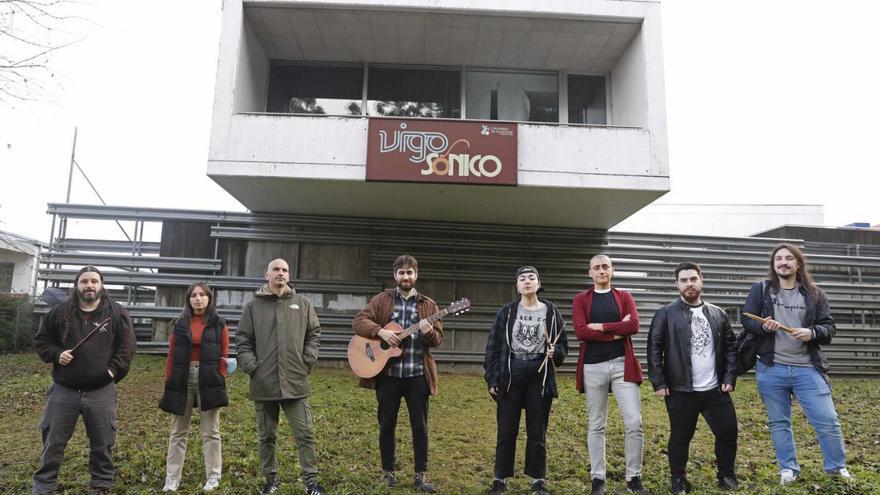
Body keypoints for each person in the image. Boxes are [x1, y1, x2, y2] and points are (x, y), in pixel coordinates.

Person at [741, 243, 852, 485]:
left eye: (788, 258)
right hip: (771, 368)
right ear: (773, 264)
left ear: (798, 263)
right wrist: (763, 326)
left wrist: (812, 333)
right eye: (778, 258)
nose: (783, 262)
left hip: (807, 368)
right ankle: (788, 469)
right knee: (779, 422)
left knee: (827, 420)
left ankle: (836, 468)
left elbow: (829, 327)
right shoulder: (761, 290)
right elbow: (746, 319)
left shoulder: (815, 294)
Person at [32, 265, 136, 495]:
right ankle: (44, 487)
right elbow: (42, 342)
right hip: (63, 391)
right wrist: (57, 354)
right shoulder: (60, 312)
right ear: (77, 285)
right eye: (84, 281)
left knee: (102, 444)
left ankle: (101, 486)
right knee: (53, 443)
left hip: (101, 391)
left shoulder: (116, 313)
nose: (89, 285)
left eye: (94, 281)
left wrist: (112, 372)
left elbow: (127, 348)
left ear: (101, 285)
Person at [352, 254, 443, 493]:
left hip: (417, 376)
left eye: (410, 273)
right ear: (395, 276)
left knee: (420, 427)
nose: (406, 277)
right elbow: (359, 322)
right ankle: (388, 472)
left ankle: (420, 475)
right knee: (387, 425)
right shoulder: (381, 300)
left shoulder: (428, 305)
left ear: (416, 275)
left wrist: (427, 332)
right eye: (401, 273)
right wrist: (380, 332)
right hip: (388, 375)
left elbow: (437, 340)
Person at [236, 258, 325, 495]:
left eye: (285, 270)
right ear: (267, 274)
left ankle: (311, 482)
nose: (281, 273)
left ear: (289, 275)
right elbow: (243, 340)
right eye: (276, 269)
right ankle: (270, 479)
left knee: (305, 434)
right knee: (267, 436)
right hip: (264, 382)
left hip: (295, 381)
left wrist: (307, 360)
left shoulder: (302, 304)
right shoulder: (253, 307)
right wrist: (252, 367)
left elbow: (314, 333)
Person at [647, 262, 739, 494]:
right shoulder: (665, 314)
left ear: (701, 281)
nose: (689, 284)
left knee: (728, 432)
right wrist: (659, 381)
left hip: (715, 389)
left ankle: (726, 475)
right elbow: (654, 349)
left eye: (693, 279)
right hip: (680, 389)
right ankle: (678, 480)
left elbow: (730, 348)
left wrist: (729, 376)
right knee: (680, 436)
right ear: (677, 284)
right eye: (684, 280)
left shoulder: (719, 314)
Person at [483, 266, 568, 495]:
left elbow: (562, 346)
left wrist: (555, 353)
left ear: (539, 284)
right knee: (506, 431)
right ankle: (500, 479)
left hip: (539, 376)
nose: (527, 281)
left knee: (537, 431)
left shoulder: (551, 311)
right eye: (522, 278)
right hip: (512, 372)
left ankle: (538, 480)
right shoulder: (507, 312)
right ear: (517, 286)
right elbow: (493, 347)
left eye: (532, 278)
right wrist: (492, 378)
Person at [571, 255, 649, 495]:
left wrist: (602, 327)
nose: (601, 271)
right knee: (596, 423)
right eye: (597, 267)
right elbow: (581, 332)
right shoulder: (581, 300)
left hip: (621, 365)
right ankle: (598, 478)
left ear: (612, 270)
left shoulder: (624, 297)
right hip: (593, 367)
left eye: (605, 267)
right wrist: (617, 331)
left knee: (634, 422)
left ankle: (633, 477)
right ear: (590, 273)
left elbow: (633, 325)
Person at [159, 282, 229, 492]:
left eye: (202, 295)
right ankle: (172, 478)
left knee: (211, 432)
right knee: (178, 431)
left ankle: (213, 476)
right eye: (194, 295)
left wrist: (220, 375)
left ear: (209, 298)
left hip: (209, 378)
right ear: (189, 300)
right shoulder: (179, 323)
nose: (198, 298)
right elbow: (171, 353)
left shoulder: (219, 323)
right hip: (182, 378)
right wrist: (168, 379)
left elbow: (224, 354)